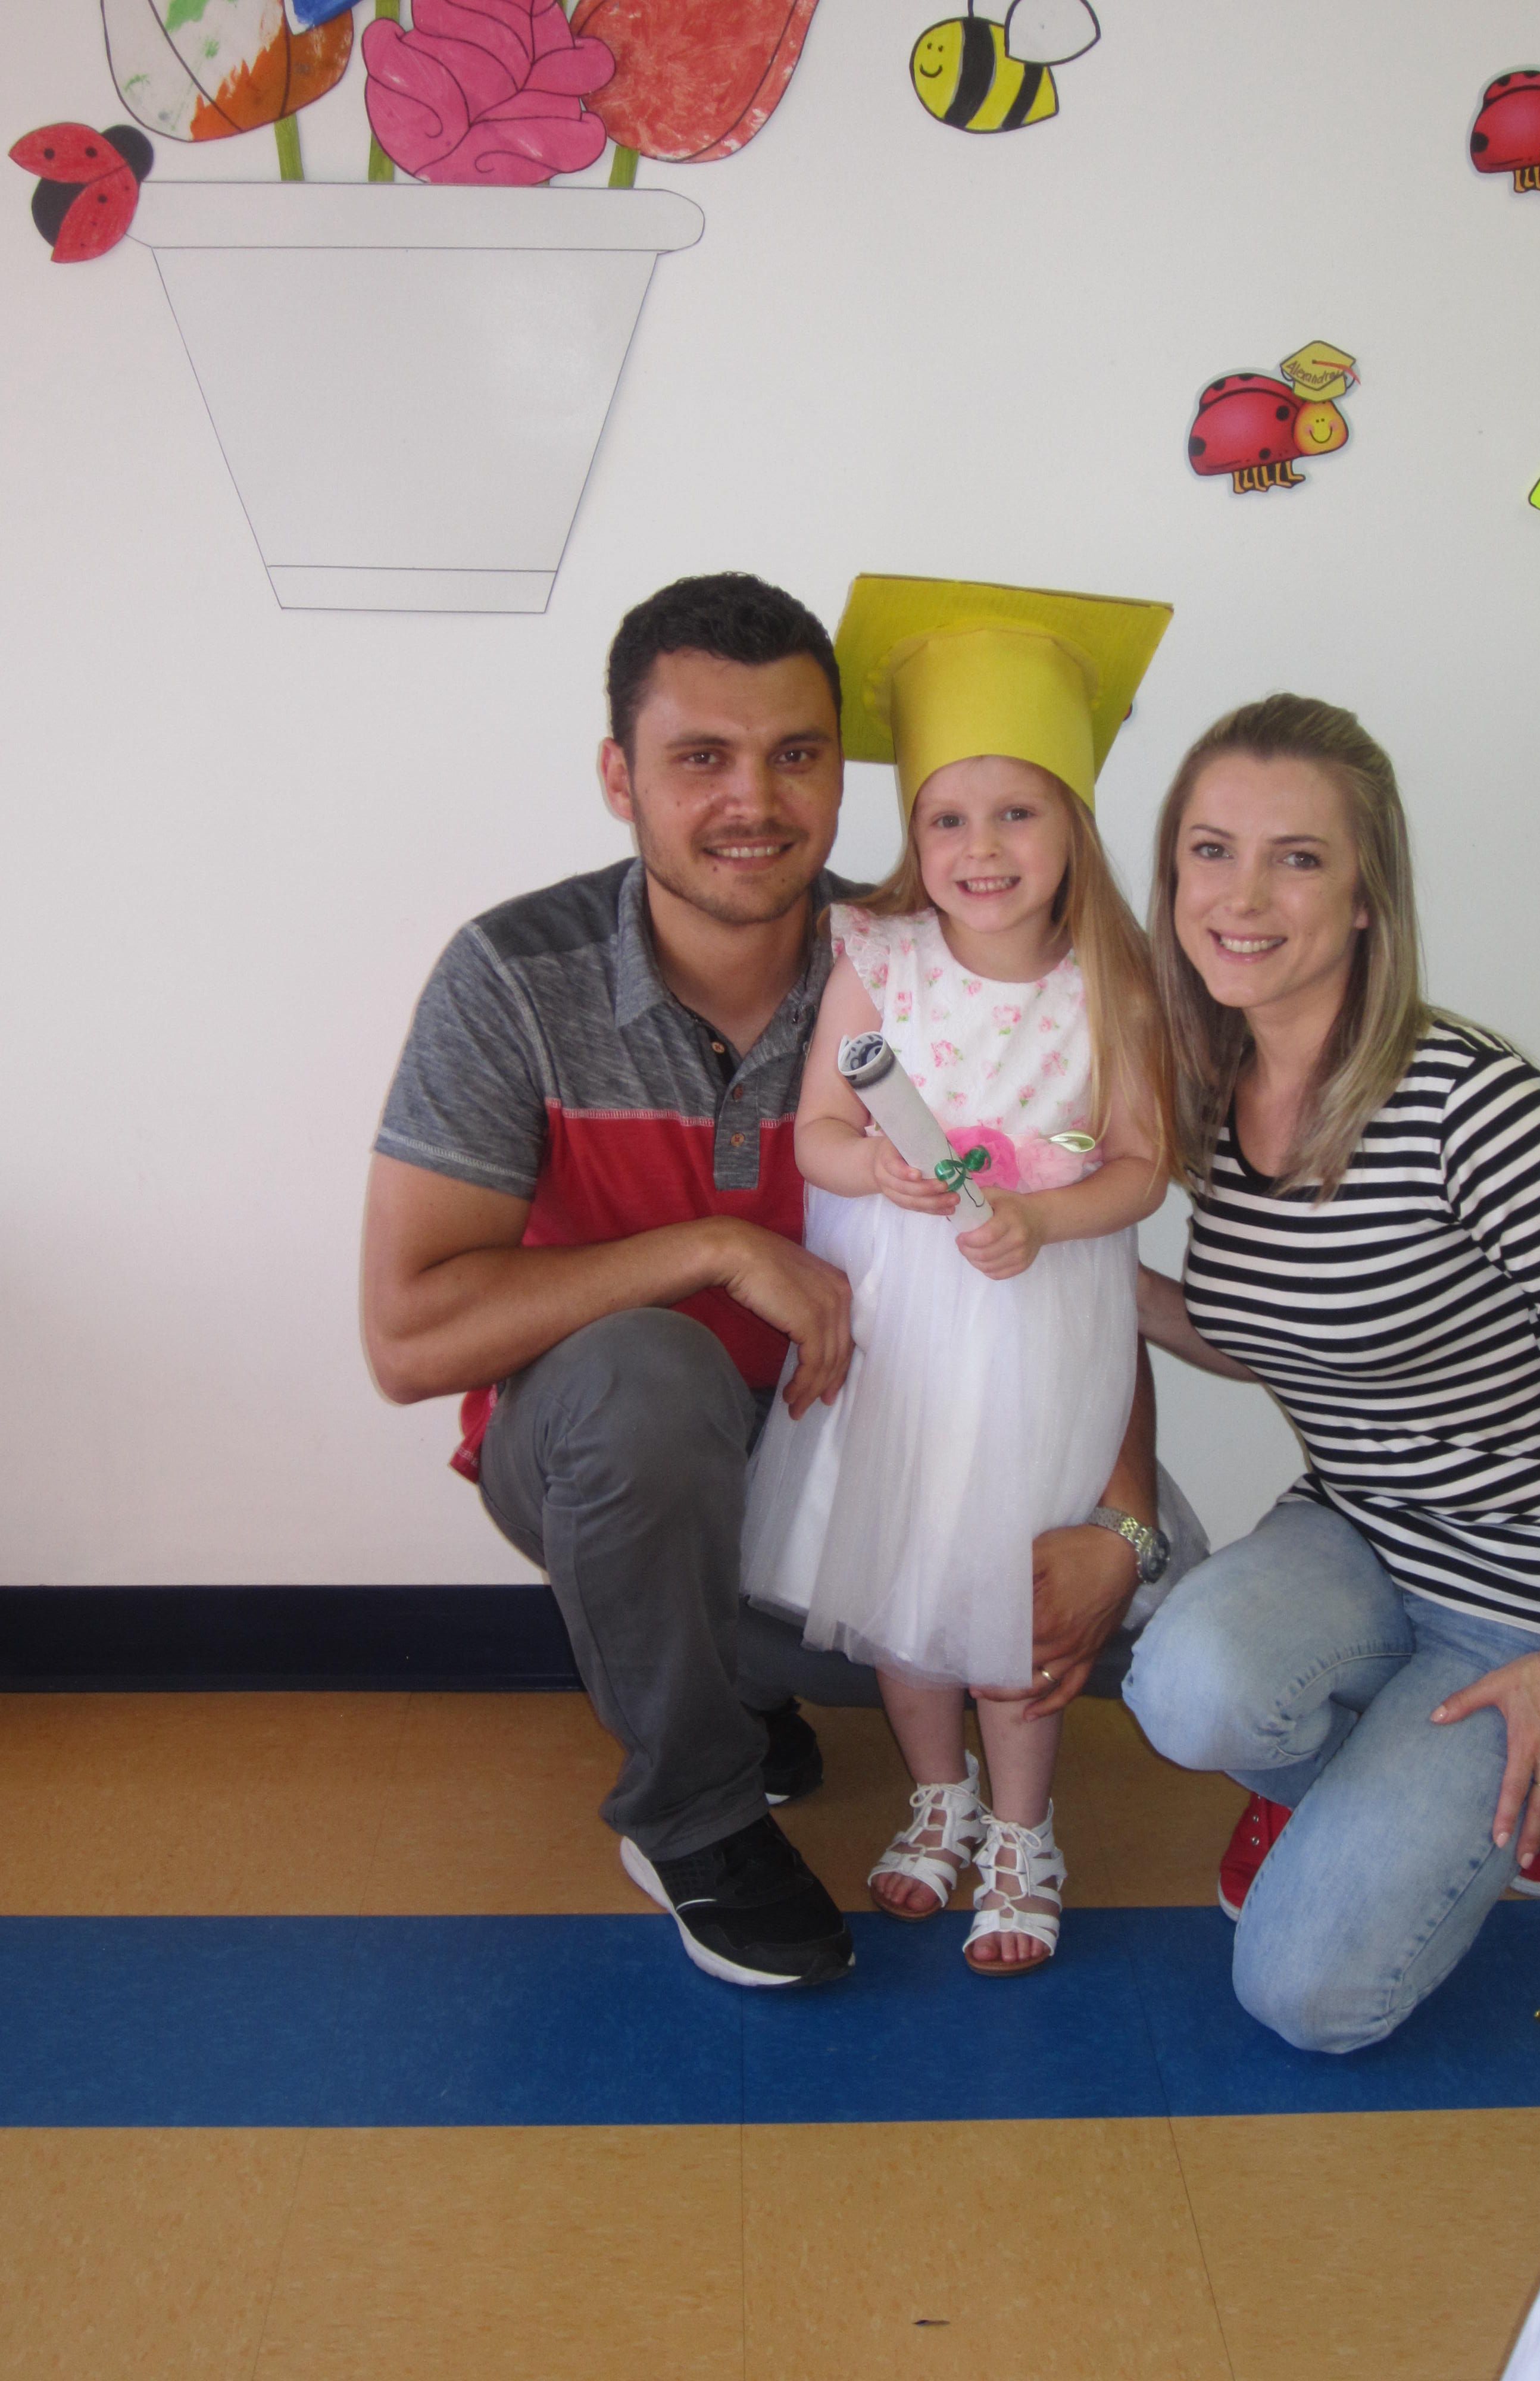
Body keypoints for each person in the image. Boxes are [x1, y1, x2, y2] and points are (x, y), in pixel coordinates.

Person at [360, 571, 1199, 1993]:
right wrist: (720, 1247)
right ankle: (695, 1814)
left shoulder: (931, 958)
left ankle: (746, 1681)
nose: (753, 799)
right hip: (617, 1455)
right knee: (650, 1376)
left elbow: (1073, 1267)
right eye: (701, 756)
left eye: (796, 753)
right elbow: (406, 1339)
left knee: (1067, 1619)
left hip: (877, 1441)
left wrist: (1124, 1516)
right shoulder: (516, 977)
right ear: (620, 776)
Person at [1122, 692, 1540, 2053]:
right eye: (1210, 850)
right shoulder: (1212, 1088)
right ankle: (1374, 1785)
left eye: (1297, 857)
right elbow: (1278, 1325)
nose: (1241, 895)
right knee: (1182, 1683)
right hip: (1361, 1534)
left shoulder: (1477, 1109)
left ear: (1368, 895)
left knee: (1307, 1996)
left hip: (1531, 1595)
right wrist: (1089, 1283)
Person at [744, 574, 1175, 1973]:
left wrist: (1044, 1219)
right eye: (947, 817)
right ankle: (940, 1794)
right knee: (905, 1574)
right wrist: (880, 1168)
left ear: (1074, 823)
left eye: (1018, 813)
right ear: (913, 830)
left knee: (1009, 1585)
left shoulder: (1115, 980)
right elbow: (816, 1130)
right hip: (902, 1325)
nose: (981, 848)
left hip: (1039, 1328)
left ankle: (1024, 1829)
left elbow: (1141, 1166)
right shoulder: (878, 959)